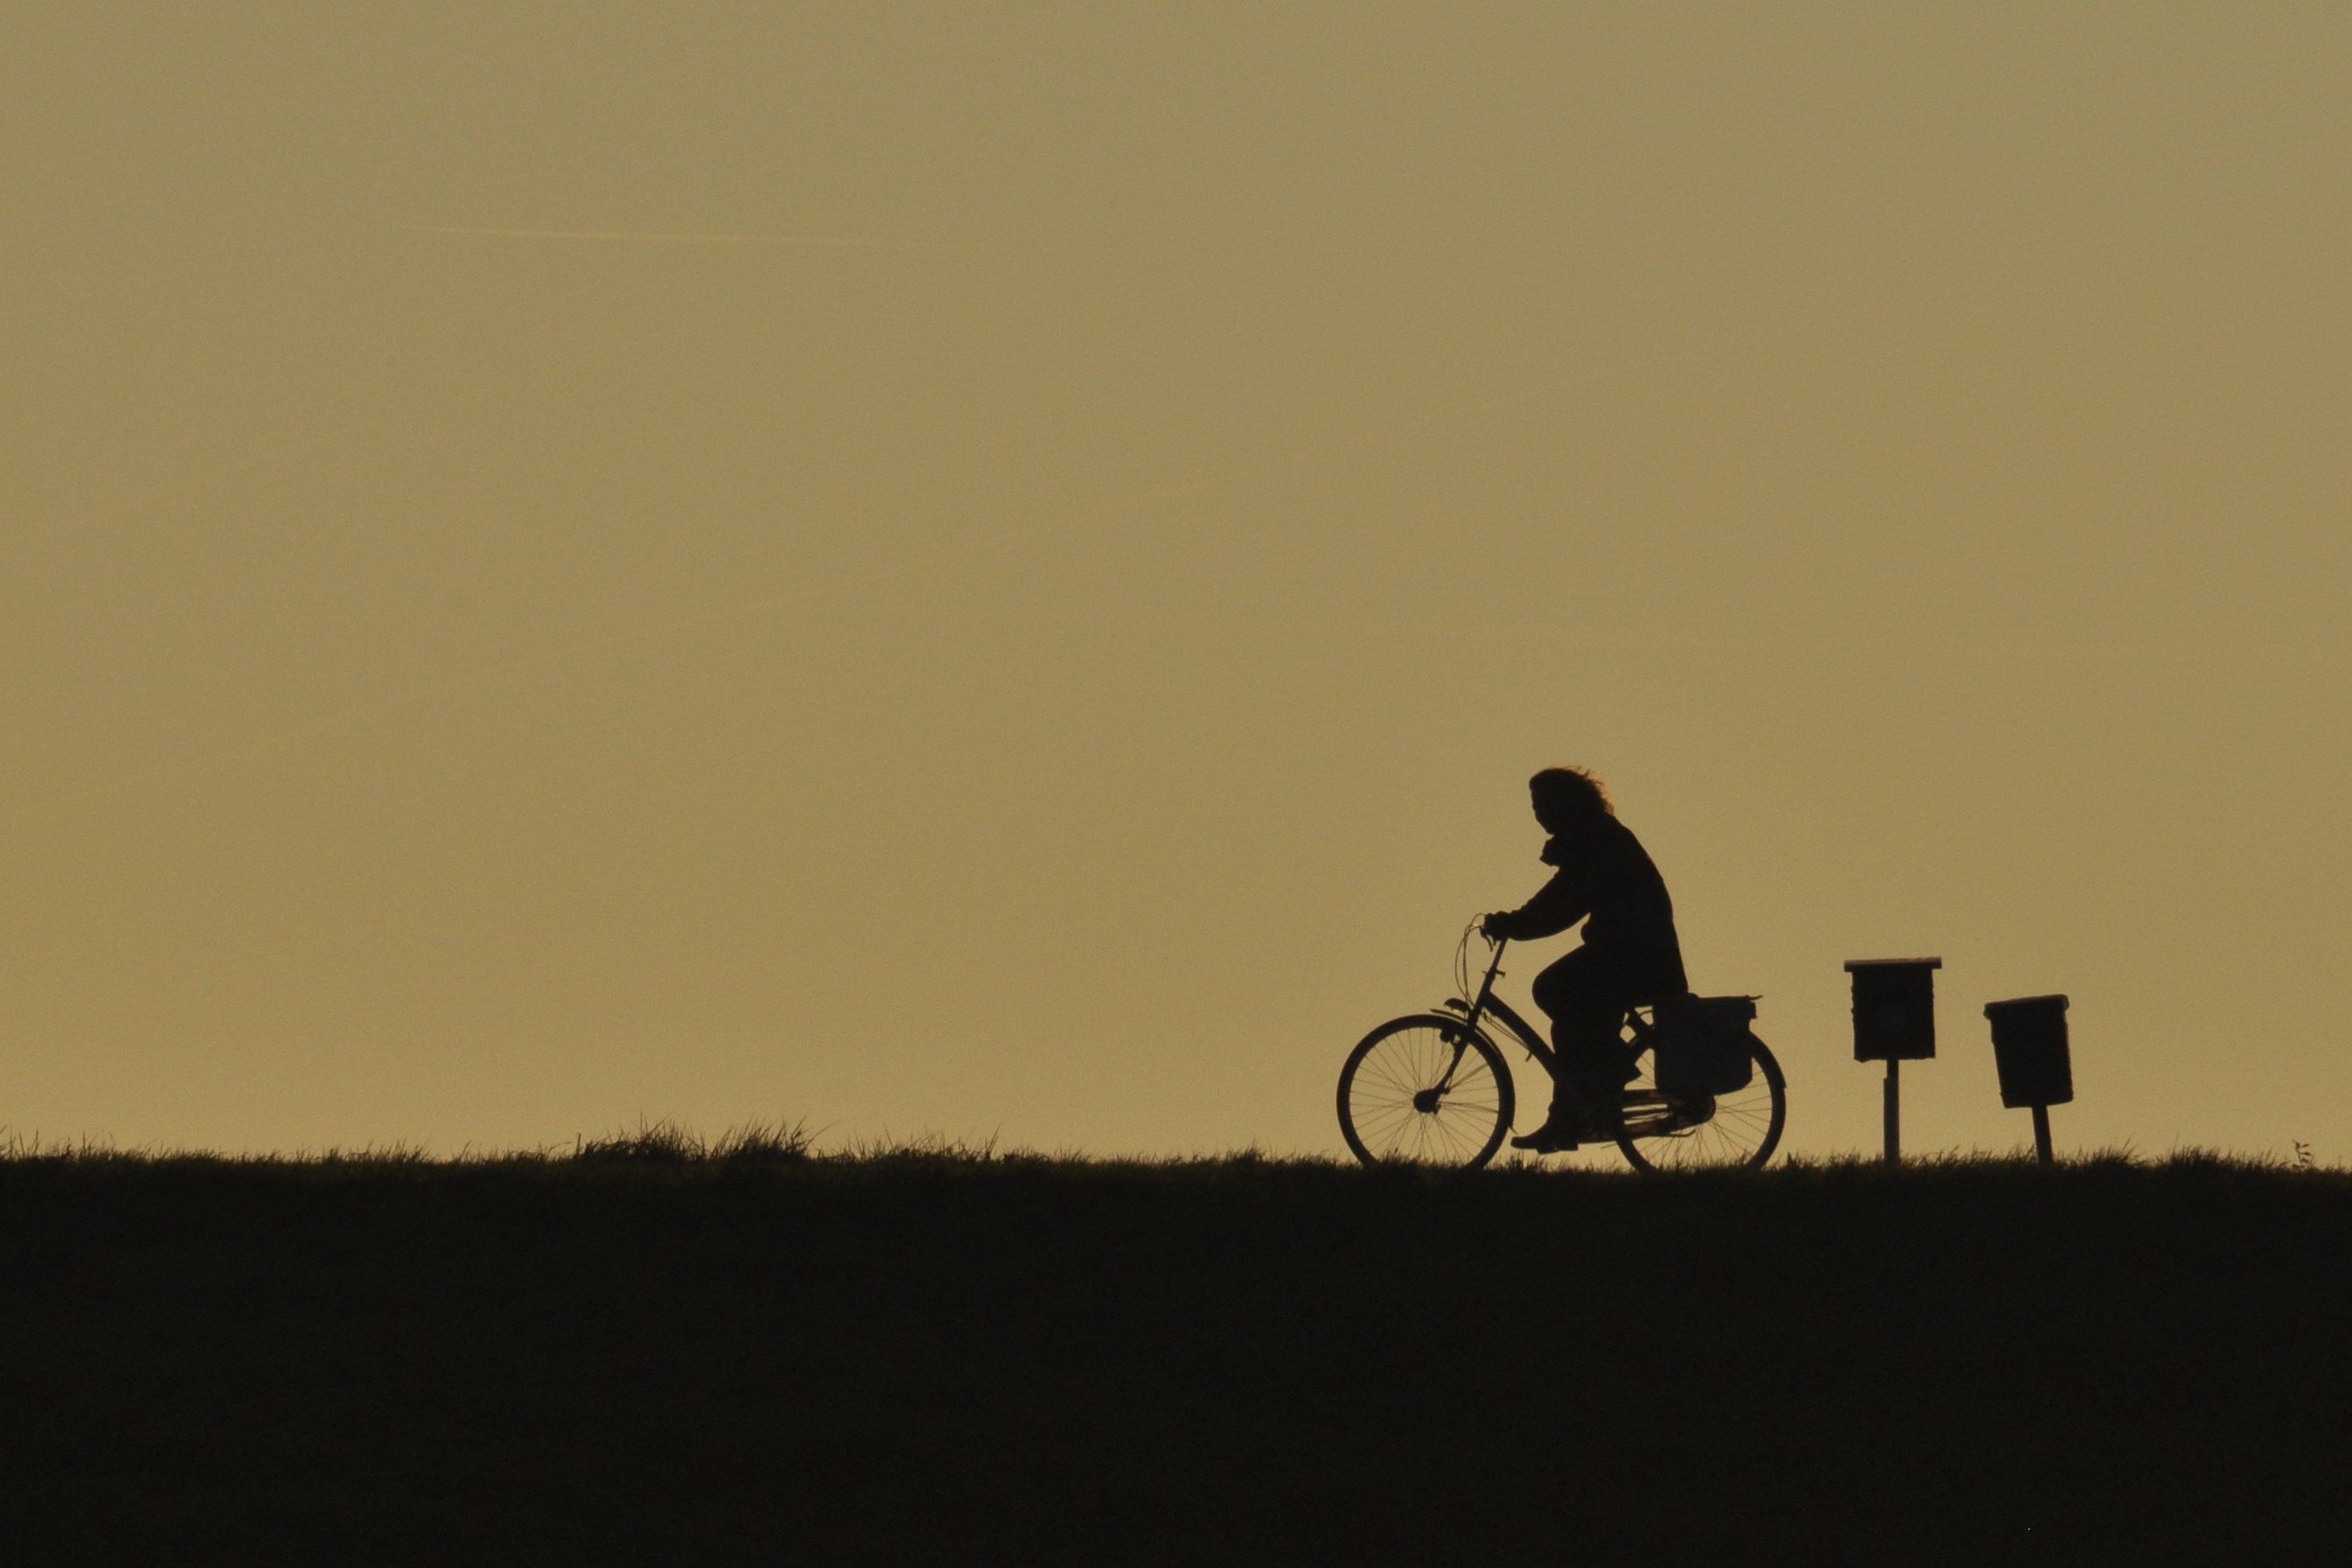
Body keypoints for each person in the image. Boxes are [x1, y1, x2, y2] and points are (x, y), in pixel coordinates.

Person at [1481, 767, 1688, 1152]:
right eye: (1533, 805)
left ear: (1567, 803)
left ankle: (1609, 1073)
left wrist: (1514, 924)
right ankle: (1570, 1114)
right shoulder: (1593, 836)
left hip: (1635, 958)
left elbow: (1563, 904)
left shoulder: (1595, 841)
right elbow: (1559, 896)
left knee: (1552, 988)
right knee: (1569, 1024)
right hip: (1628, 956)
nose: (1538, 813)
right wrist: (1518, 921)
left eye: (1544, 803)